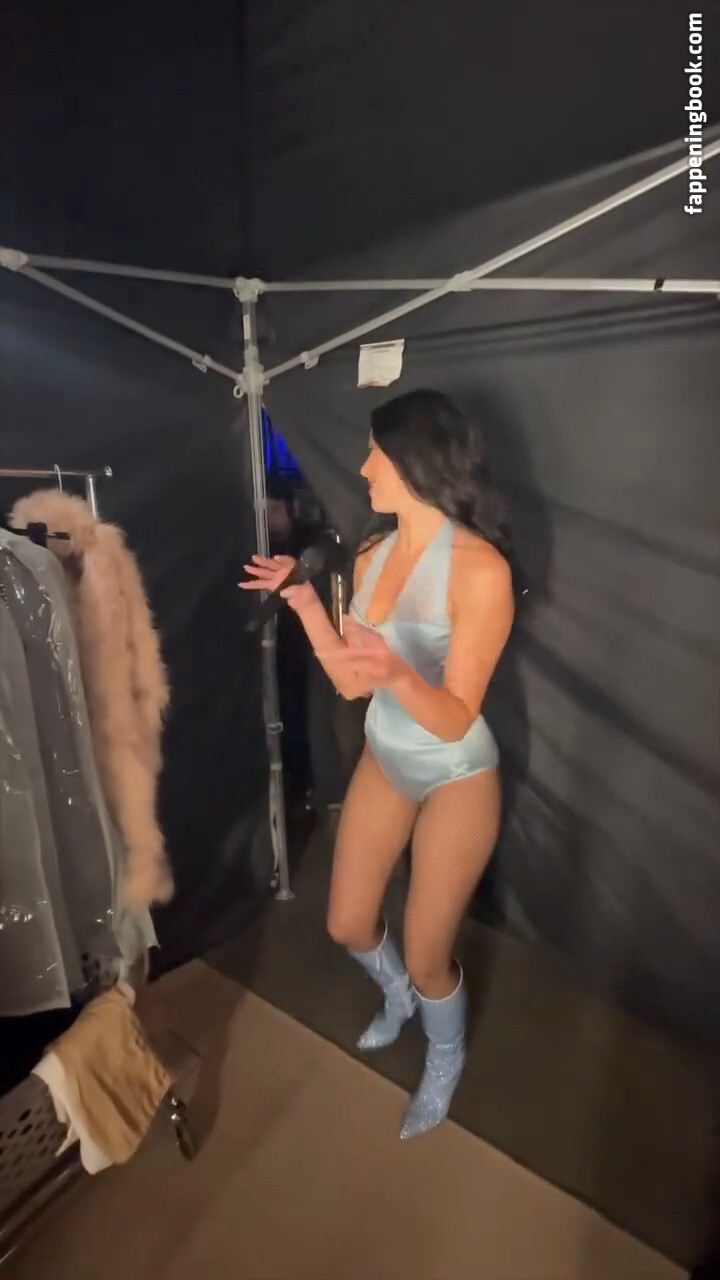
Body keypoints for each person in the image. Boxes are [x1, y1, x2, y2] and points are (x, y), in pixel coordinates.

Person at [240, 389, 515, 1139]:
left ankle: (445, 1054)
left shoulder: (480, 570)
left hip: (457, 770)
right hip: (388, 754)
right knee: (347, 922)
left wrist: (397, 673)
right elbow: (350, 681)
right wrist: (303, 603)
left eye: (376, 454)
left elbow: (454, 716)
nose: (363, 469)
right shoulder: (372, 554)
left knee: (429, 955)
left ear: (416, 461)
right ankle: (397, 997)